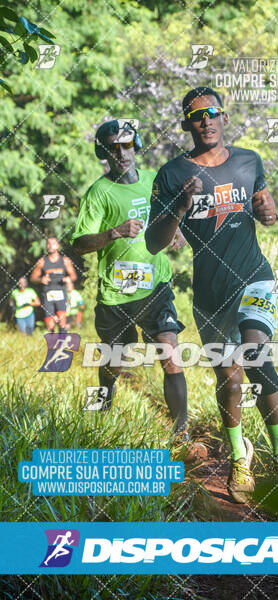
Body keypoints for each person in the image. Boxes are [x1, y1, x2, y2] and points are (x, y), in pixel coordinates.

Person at [146, 87, 278, 502]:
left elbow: (263, 207)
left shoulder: (249, 160)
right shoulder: (170, 175)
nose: (206, 120)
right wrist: (180, 207)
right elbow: (152, 242)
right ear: (186, 124)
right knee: (228, 379)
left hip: (254, 276)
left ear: (224, 117)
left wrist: (268, 213)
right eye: (197, 115)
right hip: (209, 291)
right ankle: (240, 457)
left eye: (213, 112)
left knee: (255, 355)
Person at [70, 118, 194, 449]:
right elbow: (79, 244)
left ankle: (181, 435)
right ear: (104, 152)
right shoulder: (98, 193)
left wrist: (176, 228)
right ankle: (100, 419)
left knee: (169, 350)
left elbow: (167, 214)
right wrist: (114, 232)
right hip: (116, 295)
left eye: (127, 145)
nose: (122, 153)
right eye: (113, 147)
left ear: (136, 145)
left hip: (155, 287)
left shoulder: (155, 181)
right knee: (113, 362)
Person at [31, 237, 77, 333]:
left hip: (61, 292)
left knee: (62, 321)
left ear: (58, 246)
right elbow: (33, 278)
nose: (50, 246)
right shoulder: (42, 261)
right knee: (50, 324)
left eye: (53, 243)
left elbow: (73, 276)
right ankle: (53, 343)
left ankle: (62, 343)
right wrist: (41, 279)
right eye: (48, 244)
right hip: (48, 294)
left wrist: (68, 279)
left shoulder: (65, 261)